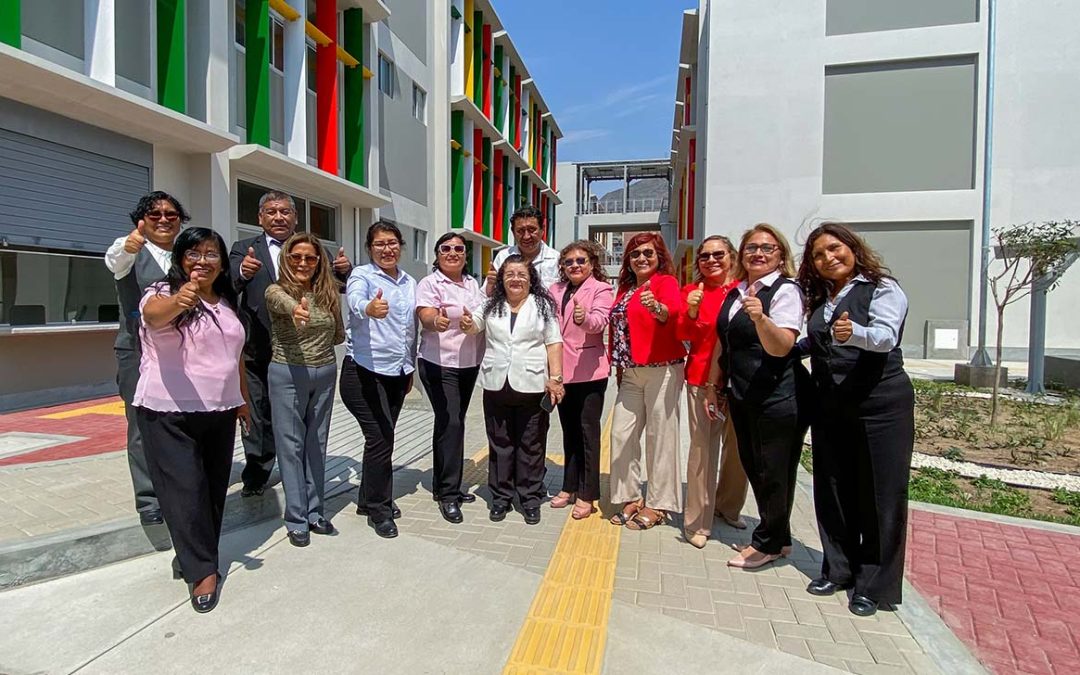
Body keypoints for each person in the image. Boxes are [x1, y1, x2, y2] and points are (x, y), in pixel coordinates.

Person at [796, 223, 914, 617]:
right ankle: (839, 569)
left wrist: (856, 332)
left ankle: (873, 583)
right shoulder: (824, 299)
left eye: (834, 248)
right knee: (832, 488)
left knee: (880, 494)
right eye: (818, 255)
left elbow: (885, 337)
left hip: (880, 404)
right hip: (831, 405)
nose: (828, 258)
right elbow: (816, 341)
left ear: (851, 247)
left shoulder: (882, 288)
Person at [134, 227, 251, 614]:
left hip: (219, 410)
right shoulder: (162, 292)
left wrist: (243, 401)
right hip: (169, 410)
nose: (203, 260)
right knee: (184, 491)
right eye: (194, 253)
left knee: (213, 489)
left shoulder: (226, 302)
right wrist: (181, 300)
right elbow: (152, 318)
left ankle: (198, 552)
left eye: (212, 253)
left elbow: (235, 357)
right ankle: (202, 571)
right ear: (181, 258)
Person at [230, 191, 352, 497]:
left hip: (303, 353)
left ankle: (299, 476)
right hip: (258, 348)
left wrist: (344, 273)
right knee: (259, 417)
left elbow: (331, 289)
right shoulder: (244, 249)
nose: (278, 217)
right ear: (260, 218)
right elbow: (228, 284)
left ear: (295, 217)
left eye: (285, 211)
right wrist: (243, 273)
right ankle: (257, 474)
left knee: (301, 419)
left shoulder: (313, 250)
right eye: (271, 212)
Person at [704, 223, 808, 569]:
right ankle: (778, 537)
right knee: (756, 467)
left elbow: (782, 347)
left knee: (773, 472)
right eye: (751, 248)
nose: (758, 254)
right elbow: (725, 341)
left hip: (777, 396)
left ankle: (769, 543)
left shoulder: (785, 291)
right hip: (741, 393)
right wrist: (714, 385)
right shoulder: (738, 291)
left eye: (767, 248)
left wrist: (762, 319)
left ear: (780, 255)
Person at [104, 191, 188, 527]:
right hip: (137, 352)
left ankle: (178, 486)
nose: (164, 219)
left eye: (171, 214)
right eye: (155, 214)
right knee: (142, 427)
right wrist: (130, 243)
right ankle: (149, 499)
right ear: (142, 220)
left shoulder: (186, 255)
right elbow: (115, 261)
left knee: (181, 421)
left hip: (182, 353)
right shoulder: (129, 250)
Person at [465, 256, 564, 525]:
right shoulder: (490, 304)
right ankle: (501, 497)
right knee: (500, 444)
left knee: (531, 445)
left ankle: (530, 498)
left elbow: (554, 342)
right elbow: (474, 324)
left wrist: (556, 378)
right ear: (502, 279)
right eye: (510, 274)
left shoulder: (542, 305)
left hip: (532, 385)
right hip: (497, 384)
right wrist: (466, 323)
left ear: (531, 278)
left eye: (521, 274)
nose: (515, 279)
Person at [264, 233, 346, 547]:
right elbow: (281, 304)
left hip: (325, 372)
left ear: (318, 262)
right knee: (291, 446)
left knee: (317, 443)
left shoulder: (327, 292)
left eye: (310, 258)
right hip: (288, 372)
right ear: (286, 259)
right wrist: (295, 311)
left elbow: (338, 334)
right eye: (296, 257)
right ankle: (297, 519)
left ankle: (315, 512)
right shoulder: (277, 290)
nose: (303, 263)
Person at [340, 222, 417, 539]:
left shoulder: (410, 282)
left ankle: (366, 499)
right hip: (363, 373)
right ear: (369, 248)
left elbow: (410, 330)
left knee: (380, 440)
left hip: (397, 373)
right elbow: (355, 301)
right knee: (381, 439)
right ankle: (379, 509)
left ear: (401, 246)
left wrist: (408, 367)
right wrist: (368, 307)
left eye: (392, 243)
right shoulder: (362, 275)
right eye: (379, 244)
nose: (387, 249)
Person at [608, 233, 686, 531]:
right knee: (620, 434)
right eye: (635, 254)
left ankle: (659, 503)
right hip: (631, 371)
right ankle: (629, 495)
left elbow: (672, 313)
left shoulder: (665, 282)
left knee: (660, 437)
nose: (641, 258)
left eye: (648, 253)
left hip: (662, 369)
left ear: (659, 257)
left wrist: (656, 308)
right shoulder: (626, 288)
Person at [676, 235, 749, 549]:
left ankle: (728, 507)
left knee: (739, 451)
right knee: (703, 451)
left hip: (743, 382)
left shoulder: (746, 291)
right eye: (704, 256)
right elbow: (682, 334)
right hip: (701, 380)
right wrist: (691, 312)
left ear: (731, 256)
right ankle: (697, 521)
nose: (711, 260)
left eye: (718, 254)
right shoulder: (693, 292)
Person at [415, 232, 487, 524]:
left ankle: (442, 483)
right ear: (437, 253)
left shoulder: (472, 284)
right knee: (452, 422)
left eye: (459, 249)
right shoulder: (429, 283)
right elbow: (426, 315)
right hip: (438, 362)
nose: (453, 253)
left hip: (468, 362)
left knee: (450, 423)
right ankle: (448, 494)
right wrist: (436, 321)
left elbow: (482, 311)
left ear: (465, 255)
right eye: (446, 248)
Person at [548, 240, 612, 520]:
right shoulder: (555, 290)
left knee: (588, 433)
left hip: (589, 372)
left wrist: (584, 318)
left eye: (581, 260)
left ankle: (587, 493)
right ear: (562, 266)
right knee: (568, 431)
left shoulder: (602, 289)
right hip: (562, 371)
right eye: (569, 261)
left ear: (592, 263)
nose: (575, 265)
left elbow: (600, 321)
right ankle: (569, 486)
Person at [486, 205, 561, 293]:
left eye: (531, 230)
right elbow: (487, 295)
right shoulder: (503, 257)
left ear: (542, 230)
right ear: (513, 232)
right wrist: (491, 284)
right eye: (520, 231)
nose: (526, 236)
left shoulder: (556, 259)